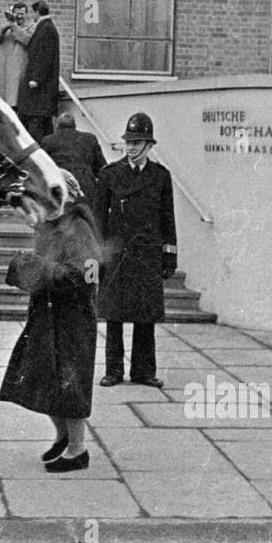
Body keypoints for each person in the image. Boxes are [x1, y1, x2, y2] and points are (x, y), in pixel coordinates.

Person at [0, 170, 101, 472]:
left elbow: (89, 273)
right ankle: (62, 438)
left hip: (73, 318)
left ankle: (77, 449)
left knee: (70, 382)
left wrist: (42, 269)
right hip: (48, 312)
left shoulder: (78, 227)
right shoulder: (49, 225)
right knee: (45, 376)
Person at [93, 112, 177, 389]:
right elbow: (98, 220)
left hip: (146, 254)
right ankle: (113, 371)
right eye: (128, 141)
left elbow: (167, 219)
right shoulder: (109, 175)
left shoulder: (160, 177)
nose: (130, 147)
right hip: (117, 254)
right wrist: (96, 256)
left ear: (149, 145)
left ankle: (143, 371)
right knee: (114, 315)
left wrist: (169, 255)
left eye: (137, 142)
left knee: (146, 316)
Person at [39, 111, 107, 211]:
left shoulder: (48, 140)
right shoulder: (90, 138)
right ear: (74, 126)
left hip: (62, 183)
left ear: (57, 126)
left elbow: (41, 168)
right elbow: (101, 168)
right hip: (86, 184)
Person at [18, 0, 60, 143]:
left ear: (37, 12)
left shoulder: (45, 28)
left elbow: (43, 55)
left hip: (38, 90)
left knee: (36, 125)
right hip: (42, 92)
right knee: (43, 125)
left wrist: (36, 79)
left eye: (33, 13)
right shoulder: (46, 27)